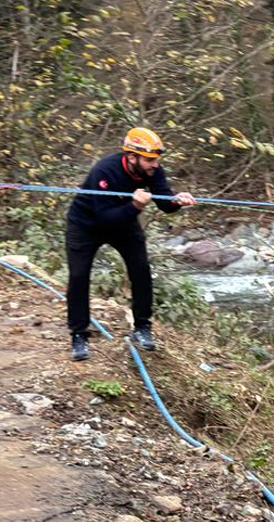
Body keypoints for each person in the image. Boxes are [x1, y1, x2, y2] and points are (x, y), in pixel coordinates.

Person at [64, 127, 196, 359]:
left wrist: (179, 201)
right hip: (87, 224)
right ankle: (79, 335)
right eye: (149, 160)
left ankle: (142, 328)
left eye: (156, 160)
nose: (154, 165)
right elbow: (104, 218)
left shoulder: (155, 171)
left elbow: (165, 204)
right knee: (79, 276)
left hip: (124, 222)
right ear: (131, 157)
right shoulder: (105, 171)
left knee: (141, 270)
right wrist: (135, 206)